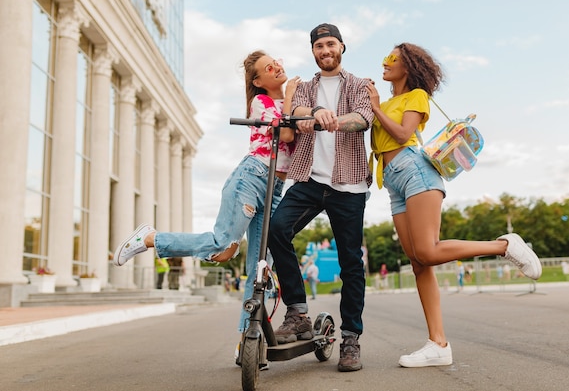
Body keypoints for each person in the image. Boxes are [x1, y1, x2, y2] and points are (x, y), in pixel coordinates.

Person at [366, 42, 542, 368]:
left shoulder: (415, 96)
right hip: (393, 183)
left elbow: (404, 135)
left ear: (409, 66)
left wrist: (376, 108)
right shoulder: (388, 100)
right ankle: (438, 344)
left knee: (429, 251)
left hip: (416, 172)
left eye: (394, 58)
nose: (385, 62)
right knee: (419, 263)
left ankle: (503, 245)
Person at [112, 50, 299, 337]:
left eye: (277, 62)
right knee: (222, 247)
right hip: (252, 178)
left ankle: (248, 335)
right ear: (259, 81)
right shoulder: (260, 104)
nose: (276, 68)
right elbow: (285, 135)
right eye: (268, 67)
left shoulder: (291, 104)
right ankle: (150, 238)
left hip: (275, 189)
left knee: (260, 267)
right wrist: (290, 96)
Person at [268, 23, 373, 372]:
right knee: (276, 229)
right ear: (313, 51)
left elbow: (362, 119)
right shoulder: (305, 88)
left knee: (351, 265)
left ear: (342, 46)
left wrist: (335, 120)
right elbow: (295, 115)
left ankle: (351, 339)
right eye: (318, 46)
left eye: (330, 44)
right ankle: (297, 311)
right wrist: (314, 113)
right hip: (310, 178)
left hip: (350, 184)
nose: (325, 50)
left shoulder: (360, 85)